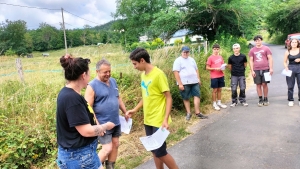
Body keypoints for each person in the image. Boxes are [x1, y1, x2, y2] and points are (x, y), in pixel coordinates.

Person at [56, 54, 115, 169]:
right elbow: (86, 131)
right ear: (83, 75)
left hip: (82, 154)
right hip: (78, 157)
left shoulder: (70, 93)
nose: (90, 76)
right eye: (89, 73)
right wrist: (106, 126)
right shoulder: (72, 99)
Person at [126, 48, 179, 169]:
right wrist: (135, 109)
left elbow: (168, 98)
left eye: (135, 64)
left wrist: (165, 119)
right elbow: (146, 97)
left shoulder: (158, 74)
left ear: (142, 60)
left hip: (159, 119)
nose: (134, 67)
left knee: (160, 152)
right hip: (148, 119)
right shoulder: (143, 76)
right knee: (154, 150)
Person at [85, 59, 127, 169]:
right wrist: (98, 125)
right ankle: (94, 167)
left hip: (115, 121)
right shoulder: (92, 86)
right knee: (107, 148)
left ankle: (110, 167)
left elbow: (118, 98)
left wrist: (125, 112)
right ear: (97, 71)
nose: (108, 74)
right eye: (105, 72)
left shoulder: (113, 81)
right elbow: (88, 108)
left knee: (115, 145)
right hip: (103, 123)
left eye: (109, 71)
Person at [173, 46, 208, 121]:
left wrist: (198, 79)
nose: (186, 53)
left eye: (187, 52)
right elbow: (176, 72)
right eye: (184, 52)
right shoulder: (178, 61)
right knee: (186, 98)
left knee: (197, 95)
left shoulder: (192, 60)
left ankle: (198, 112)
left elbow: (196, 69)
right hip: (184, 83)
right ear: (181, 52)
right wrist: (180, 84)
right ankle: (188, 113)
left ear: (189, 52)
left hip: (194, 81)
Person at [248, 35, 273, 106]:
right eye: (256, 41)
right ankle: (260, 99)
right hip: (256, 69)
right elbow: (251, 61)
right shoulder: (252, 50)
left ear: (261, 40)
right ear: (254, 42)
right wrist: (252, 70)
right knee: (258, 84)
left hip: (266, 68)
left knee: (264, 84)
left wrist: (271, 68)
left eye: (259, 40)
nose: (257, 42)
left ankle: (265, 98)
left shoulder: (266, 48)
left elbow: (270, 58)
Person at [206, 44, 228, 111]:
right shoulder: (210, 58)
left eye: (217, 49)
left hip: (221, 75)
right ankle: (214, 103)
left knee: (220, 89)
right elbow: (207, 67)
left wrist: (224, 67)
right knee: (215, 90)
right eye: (215, 49)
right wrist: (215, 68)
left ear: (219, 49)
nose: (216, 50)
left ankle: (219, 102)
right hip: (214, 76)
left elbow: (222, 65)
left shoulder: (220, 57)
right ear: (212, 49)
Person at [283, 38, 300, 106]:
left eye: (295, 42)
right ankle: (290, 100)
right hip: (290, 68)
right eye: (293, 42)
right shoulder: (287, 51)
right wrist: (286, 67)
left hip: (299, 67)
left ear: (298, 43)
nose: (294, 43)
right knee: (290, 85)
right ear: (290, 43)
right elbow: (284, 62)